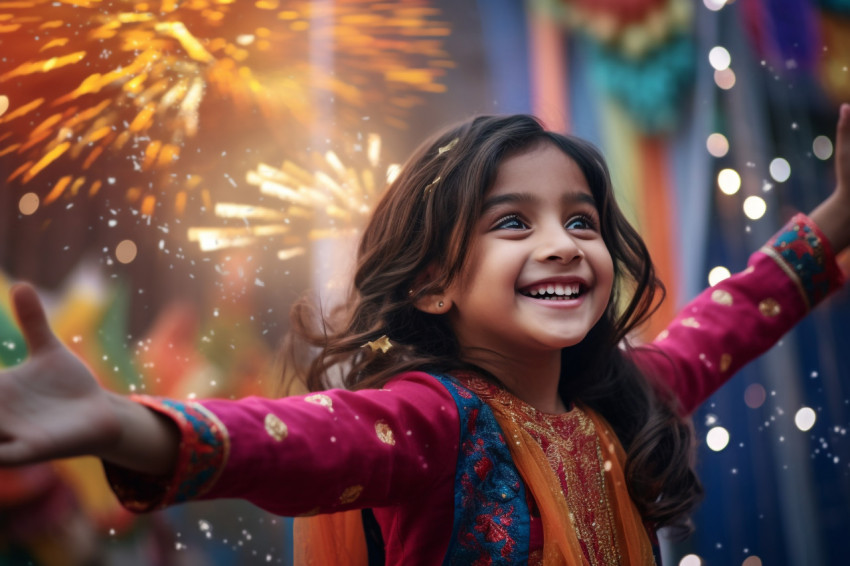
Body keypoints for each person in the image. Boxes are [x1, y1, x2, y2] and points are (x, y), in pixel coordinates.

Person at [0, 105, 848, 566]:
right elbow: (295, 442)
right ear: (432, 282)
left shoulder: (623, 399)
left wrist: (837, 219)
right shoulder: (430, 422)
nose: (563, 243)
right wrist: (125, 424)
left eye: (581, 220)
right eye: (512, 222)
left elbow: (727, 321)